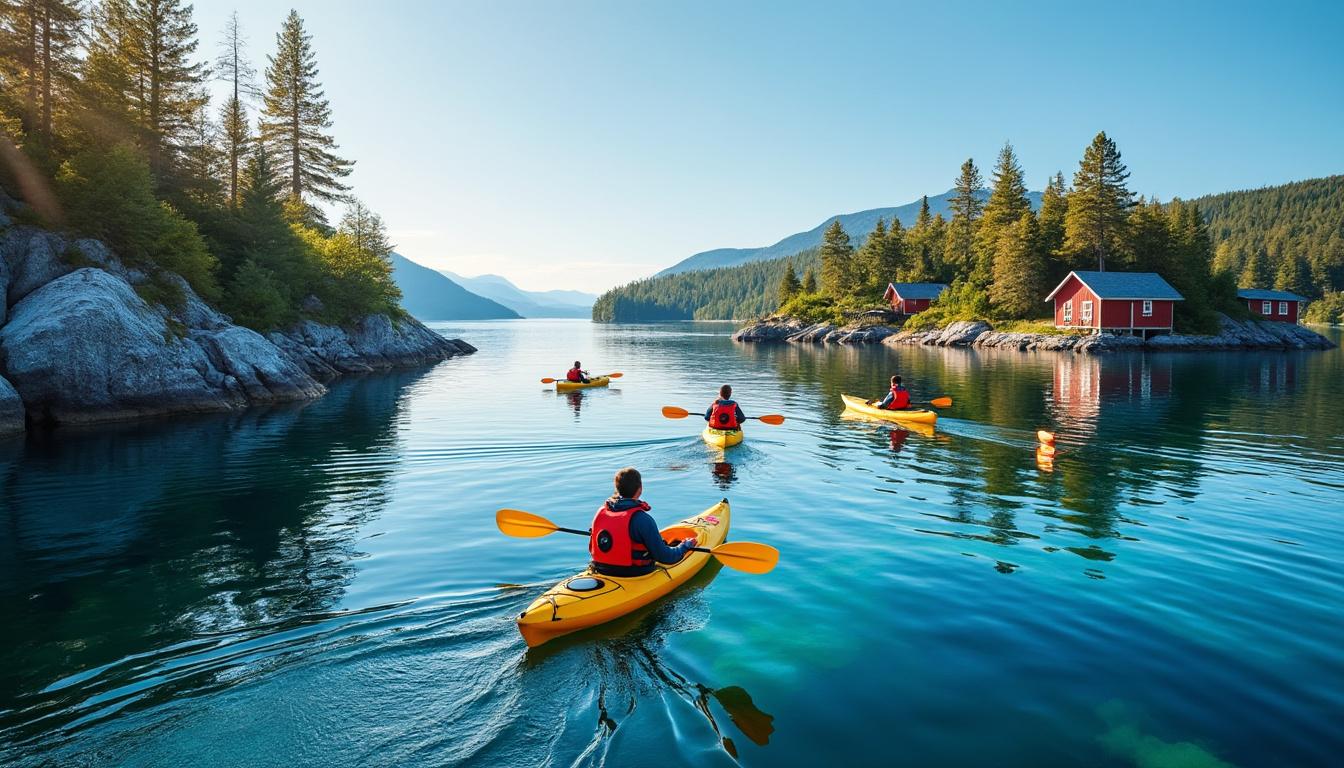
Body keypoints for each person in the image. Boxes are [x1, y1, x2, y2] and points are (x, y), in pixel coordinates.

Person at [590, 467, 698, 577]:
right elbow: (666, 557)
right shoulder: (642, 519)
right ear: (640, 488)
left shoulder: (601, 512)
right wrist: (684, 546)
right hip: (633, 573)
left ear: (617, 488)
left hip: (600, 568)